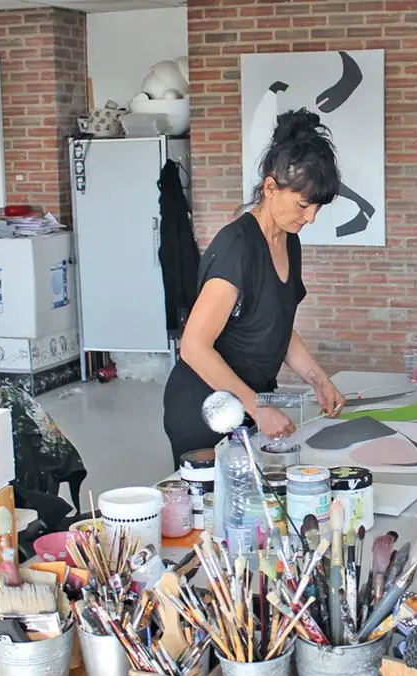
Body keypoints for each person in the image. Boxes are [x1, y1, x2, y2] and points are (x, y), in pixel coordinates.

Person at [163, 108, 347, 467]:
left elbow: (277, 327)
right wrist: (257, 407)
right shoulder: (237, 248)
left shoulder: (288, 240)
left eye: (317, 209)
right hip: (205, 406)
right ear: (270, 188)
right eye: (304, 204)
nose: (310, 218)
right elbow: (194, 347)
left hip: (246, 400)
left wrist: (319, 380)